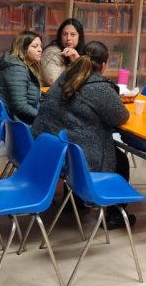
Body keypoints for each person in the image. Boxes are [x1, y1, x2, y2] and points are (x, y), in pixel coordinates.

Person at [31, 41, 133, 229]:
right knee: (120, 161)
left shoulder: (66, 75)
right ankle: (113, 214)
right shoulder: (98, 86)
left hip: (49, 145)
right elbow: (120, 116)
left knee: (80, 141)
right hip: (72, 154)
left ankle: (74, 202)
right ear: (104, 65)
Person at [0, 30, 43, 124]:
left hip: (20, 119)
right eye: (35, 46)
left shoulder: (25, 66)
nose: (40, 50)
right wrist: (43, 116)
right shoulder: (17, 70)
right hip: (17, 123)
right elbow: (20, 106)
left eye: (40, 46)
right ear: (23, 49)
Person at [40, 18, 85, 86]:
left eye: (73, 34)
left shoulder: (80, 53)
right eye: (65, 34)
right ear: (60, 36)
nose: (68, 38)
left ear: (79, 37)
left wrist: (77, 61)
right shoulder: (52, 52)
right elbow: (54, 83)